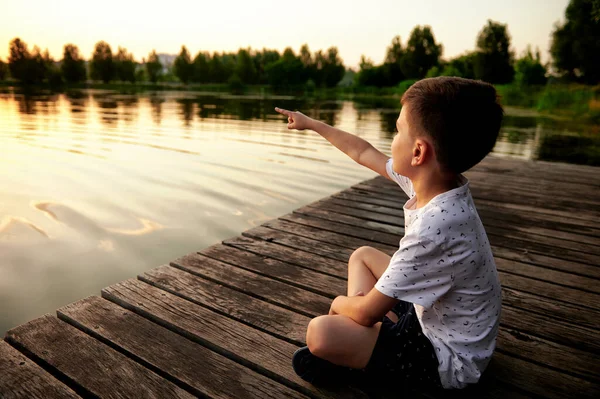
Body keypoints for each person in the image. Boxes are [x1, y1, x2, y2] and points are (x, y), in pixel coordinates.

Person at [274, 77, 504, 391]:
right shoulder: (437, 182)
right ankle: (359, 346)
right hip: (435, 318)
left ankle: (360, 362)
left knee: (320, 333)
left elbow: (367, 313)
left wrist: (342, 305)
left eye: (397, 130)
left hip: (447, 363)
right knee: (363, 257)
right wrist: (313, 124)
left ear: (419, 152)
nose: (391, 139)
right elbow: (363, 151)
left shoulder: (433, 227)